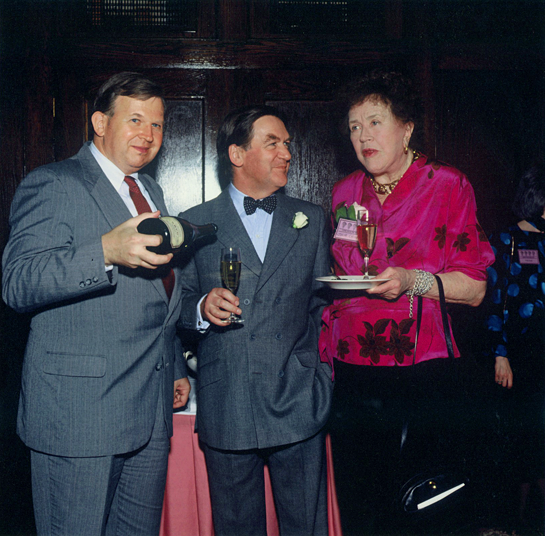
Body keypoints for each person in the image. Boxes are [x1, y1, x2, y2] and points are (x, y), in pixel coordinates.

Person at [2, 72, 190, 536]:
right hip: (78, 418)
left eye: (158, 125)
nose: (148, 135)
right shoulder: (53, 183)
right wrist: (103, 251)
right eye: (136, 120)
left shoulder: (151, 192)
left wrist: (176, 368)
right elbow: (18, 282)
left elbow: (158, 295)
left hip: (148, 413)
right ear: (100, 123)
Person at [318, 69, 495, 535]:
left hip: (424, 371)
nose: (363, 136)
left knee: (423, 509)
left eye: (375, 122)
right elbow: (344, 272)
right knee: (362, 507)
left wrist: (411, 280)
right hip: (354, 369)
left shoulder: (448, 186)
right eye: (354, 127)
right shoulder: (344, 194)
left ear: (407, 128)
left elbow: (475, 288)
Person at [177, 105, 333, 536]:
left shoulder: (312, 219)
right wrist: (201, 308)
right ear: (238, 154)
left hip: (299, 402)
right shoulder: (194, 224)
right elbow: (177, 304)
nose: (286, 153)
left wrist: (320, 377)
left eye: (287, 144)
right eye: (273, 143)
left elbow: (324, 307)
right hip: (229, 403)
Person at [485, 165, 545, 532]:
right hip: (520, 356)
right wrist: (499, 353)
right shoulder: (503, 240)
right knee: (523, 439)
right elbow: (494, 303)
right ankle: (515, 520)